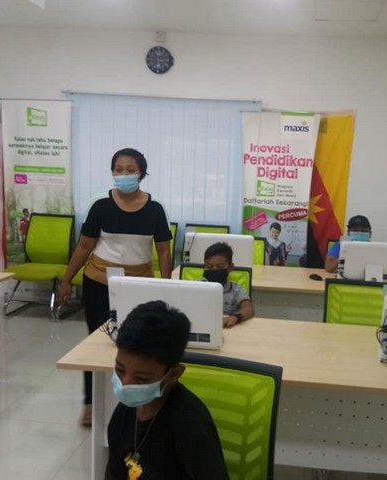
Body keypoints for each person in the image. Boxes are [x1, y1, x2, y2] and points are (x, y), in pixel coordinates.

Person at [58, 147, 173, 427]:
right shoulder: (101, 206)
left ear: (141, 174)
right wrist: (66, 280)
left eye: (130, 170)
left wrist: (167, 286)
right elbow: (84, 246)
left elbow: (163, 251)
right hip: (99, 282)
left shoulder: (155, 209)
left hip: (138, 285)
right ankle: (90, 401)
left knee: (136, 344)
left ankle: (134, 401)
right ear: (112, 172)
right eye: (118, 169)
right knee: (95, 343)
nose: (124, 175)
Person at [105, 300, 229, 480]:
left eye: (141, 379)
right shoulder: (124, 414)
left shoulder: (190, 425)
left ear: (174, 374)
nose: (125, 384)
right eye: (120, 370)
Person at [202, 242, 254, 328]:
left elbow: (249, 309)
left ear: (230, 267)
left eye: (220, 267)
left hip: (227, 328)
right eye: (209, 267)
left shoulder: (236, 289)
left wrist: (236, 317)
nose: (214, 270)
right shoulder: (196, 286)